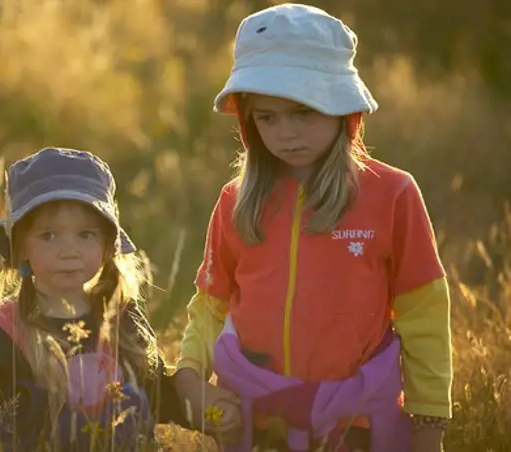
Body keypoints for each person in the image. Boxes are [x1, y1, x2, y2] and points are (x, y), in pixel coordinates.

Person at [174, 4, 452, 452]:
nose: (286, 133)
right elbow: (211, 306)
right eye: (267, 116)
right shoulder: (235, 202)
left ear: (343, 110)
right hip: (256, 423)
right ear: (248, 121)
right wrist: (189, 376)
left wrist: (429, 423)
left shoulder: (393, 194)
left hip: (356, 425)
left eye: (303, 111)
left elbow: (424, 315)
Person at [0, 147, 186, 451]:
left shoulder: (121, 314)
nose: (69, 250)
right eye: (48, 236)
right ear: (22, 247)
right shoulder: (0, 327)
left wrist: (217, 397)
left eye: (85, 234)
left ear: (106, 245)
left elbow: (160, 397)